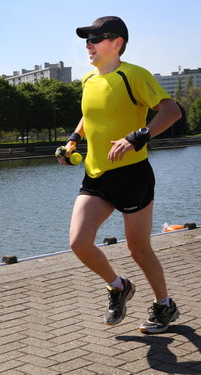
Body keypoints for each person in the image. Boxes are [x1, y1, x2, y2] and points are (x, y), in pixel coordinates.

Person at [58, 16, 182, 334]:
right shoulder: (88, 81)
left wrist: (138, 135)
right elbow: (88, 116)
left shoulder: (134, 76)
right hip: (96, 176)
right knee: (78, 242)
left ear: (117, 43)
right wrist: (73, 139)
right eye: (86, 39)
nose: (89, 45)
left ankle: (165, 306)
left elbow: (171, 111)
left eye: (95, 39)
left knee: (138, 249)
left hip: (132, 175)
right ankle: (118, 286)